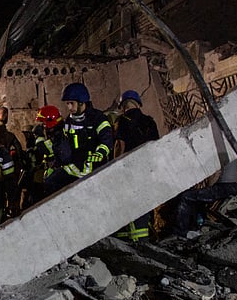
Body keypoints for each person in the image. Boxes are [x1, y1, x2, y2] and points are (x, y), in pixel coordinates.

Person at [42, 83, 114, 196]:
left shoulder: (97, 118)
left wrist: (100, 153)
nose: (69, 107)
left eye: (71, 103)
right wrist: (55, 165)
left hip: (94, 167)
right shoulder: (68, 122)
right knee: (50, 183)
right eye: (67, 104)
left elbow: (107, 138)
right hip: (75, 166)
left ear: (81, 102)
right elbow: (64, 148)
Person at [113, 89, 161, 241]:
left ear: (123, 106)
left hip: (129, 169)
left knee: (129, 203)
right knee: (146, 201)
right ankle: (149, 234)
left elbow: (120, 145)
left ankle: (132, 240)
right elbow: (156, 146)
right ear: (138, 103)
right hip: (147, 168)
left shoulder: (122, 121)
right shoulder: (150, 121)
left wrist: (115, 167)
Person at [19, 104, 62, 210]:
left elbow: (45, 149)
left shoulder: (59, 135)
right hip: (47, 173)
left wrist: (39, 138)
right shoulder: (53, 133)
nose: (43, 126)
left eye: (44, 123)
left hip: (57, 174)